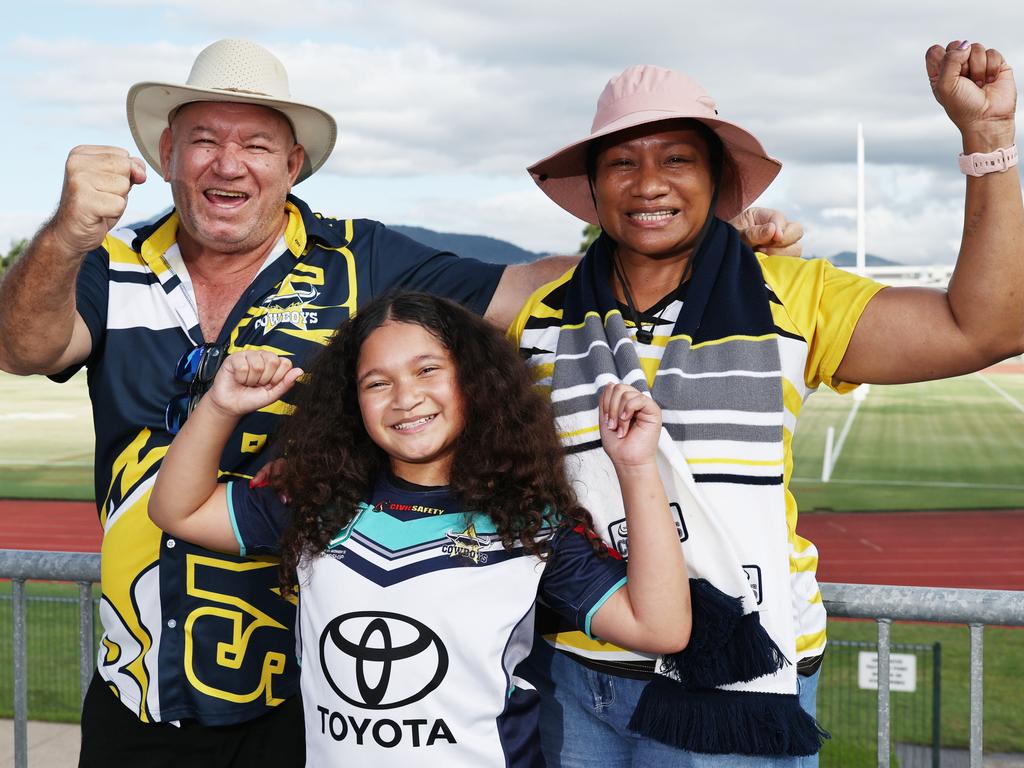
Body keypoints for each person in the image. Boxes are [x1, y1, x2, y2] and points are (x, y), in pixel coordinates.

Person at [0, 39, 800, 766]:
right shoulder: (104, 264)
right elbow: (21, 348)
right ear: (168, 154)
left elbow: (531, 286)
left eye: (255, 144)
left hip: (295, 705)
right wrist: (68, 233)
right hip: (136, 690)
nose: (227, 164)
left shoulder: (367, 260)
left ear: (295, 163)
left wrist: (706, 246)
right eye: (204, 140)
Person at [511, 41, 1023, 767]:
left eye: (676, 159)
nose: (648, 183)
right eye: (623, 162)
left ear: (718, 179)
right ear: (593, 187)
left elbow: (989, 327)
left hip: (736, 684)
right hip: (576, 670)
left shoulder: (793, 293)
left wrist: (990, 141)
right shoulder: (537, 310)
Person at [147, 290, 691, 767]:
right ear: (351, 402)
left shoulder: (527, 523)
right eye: (376, 382)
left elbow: (660, 628)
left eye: (428, 370)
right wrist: (220, 406)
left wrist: (636, 465)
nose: (405, 397)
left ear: (473, 381)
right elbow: (179, 510)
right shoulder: (319, 503)